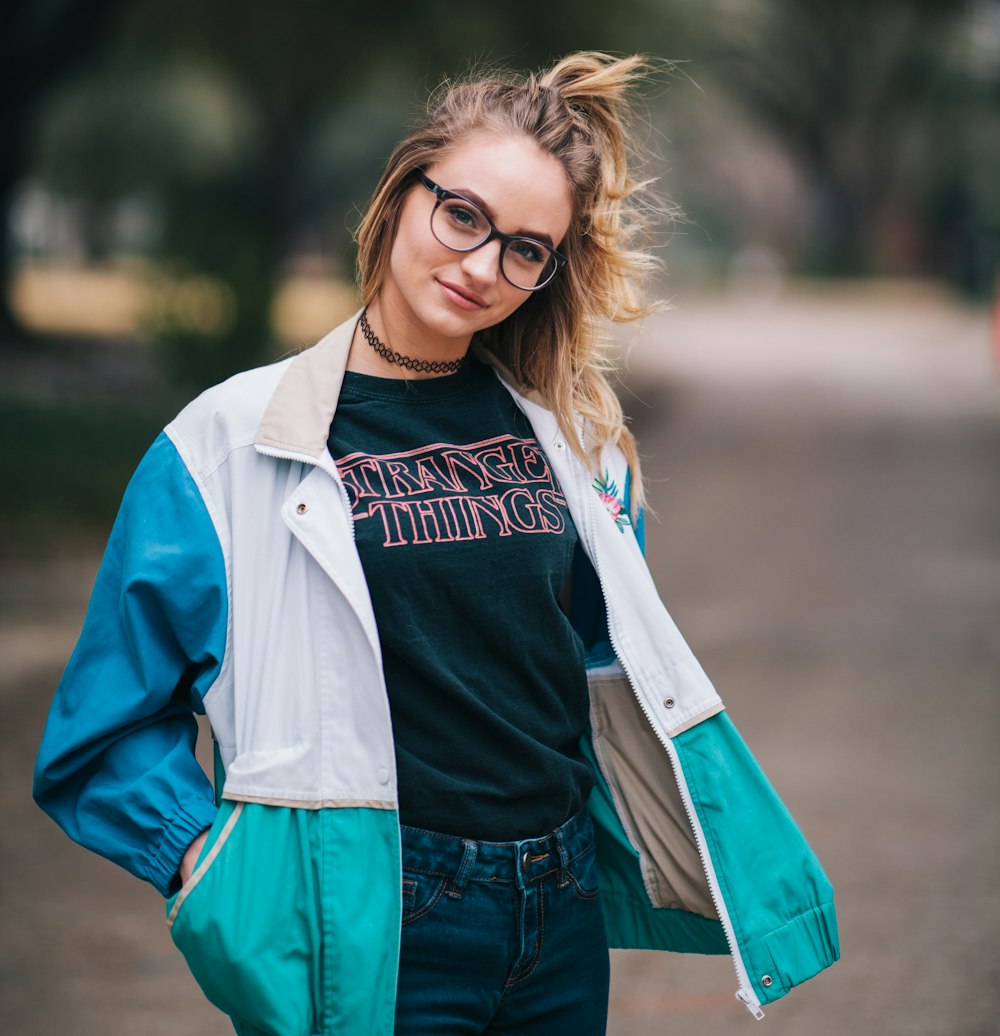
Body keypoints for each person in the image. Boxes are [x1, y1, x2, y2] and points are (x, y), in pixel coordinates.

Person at [34, 52, 839, 1036]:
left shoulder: (571, 437)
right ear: (400, 193)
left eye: (524, 249)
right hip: (379, 912)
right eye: (462, 216)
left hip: (558, 907)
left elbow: (591, 676)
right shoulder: (225, 444)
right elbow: (103, 727)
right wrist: (203, 862)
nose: (481, 266)